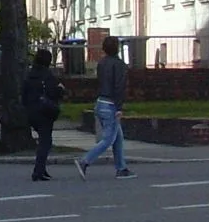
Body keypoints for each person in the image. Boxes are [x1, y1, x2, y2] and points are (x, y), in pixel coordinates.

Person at [79, 34, 133, 178]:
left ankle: (121, 168)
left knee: (118, 137)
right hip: (111, 104)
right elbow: (119, 86)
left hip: (100, 102)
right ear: (117, 48)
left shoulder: (101, 63)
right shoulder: (119, 65)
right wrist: (119, 107)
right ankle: (86, 160)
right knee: (108, 139)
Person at [24, 47, 66, 181]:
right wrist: (60, 89)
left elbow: (23, 94)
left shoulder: (30, 74)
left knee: (44, 140)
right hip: (44, 111)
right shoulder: (47, 75)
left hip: (31, 111)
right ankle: (38, 170)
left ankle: (42, 169)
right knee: (45, 141)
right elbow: (53, 92)